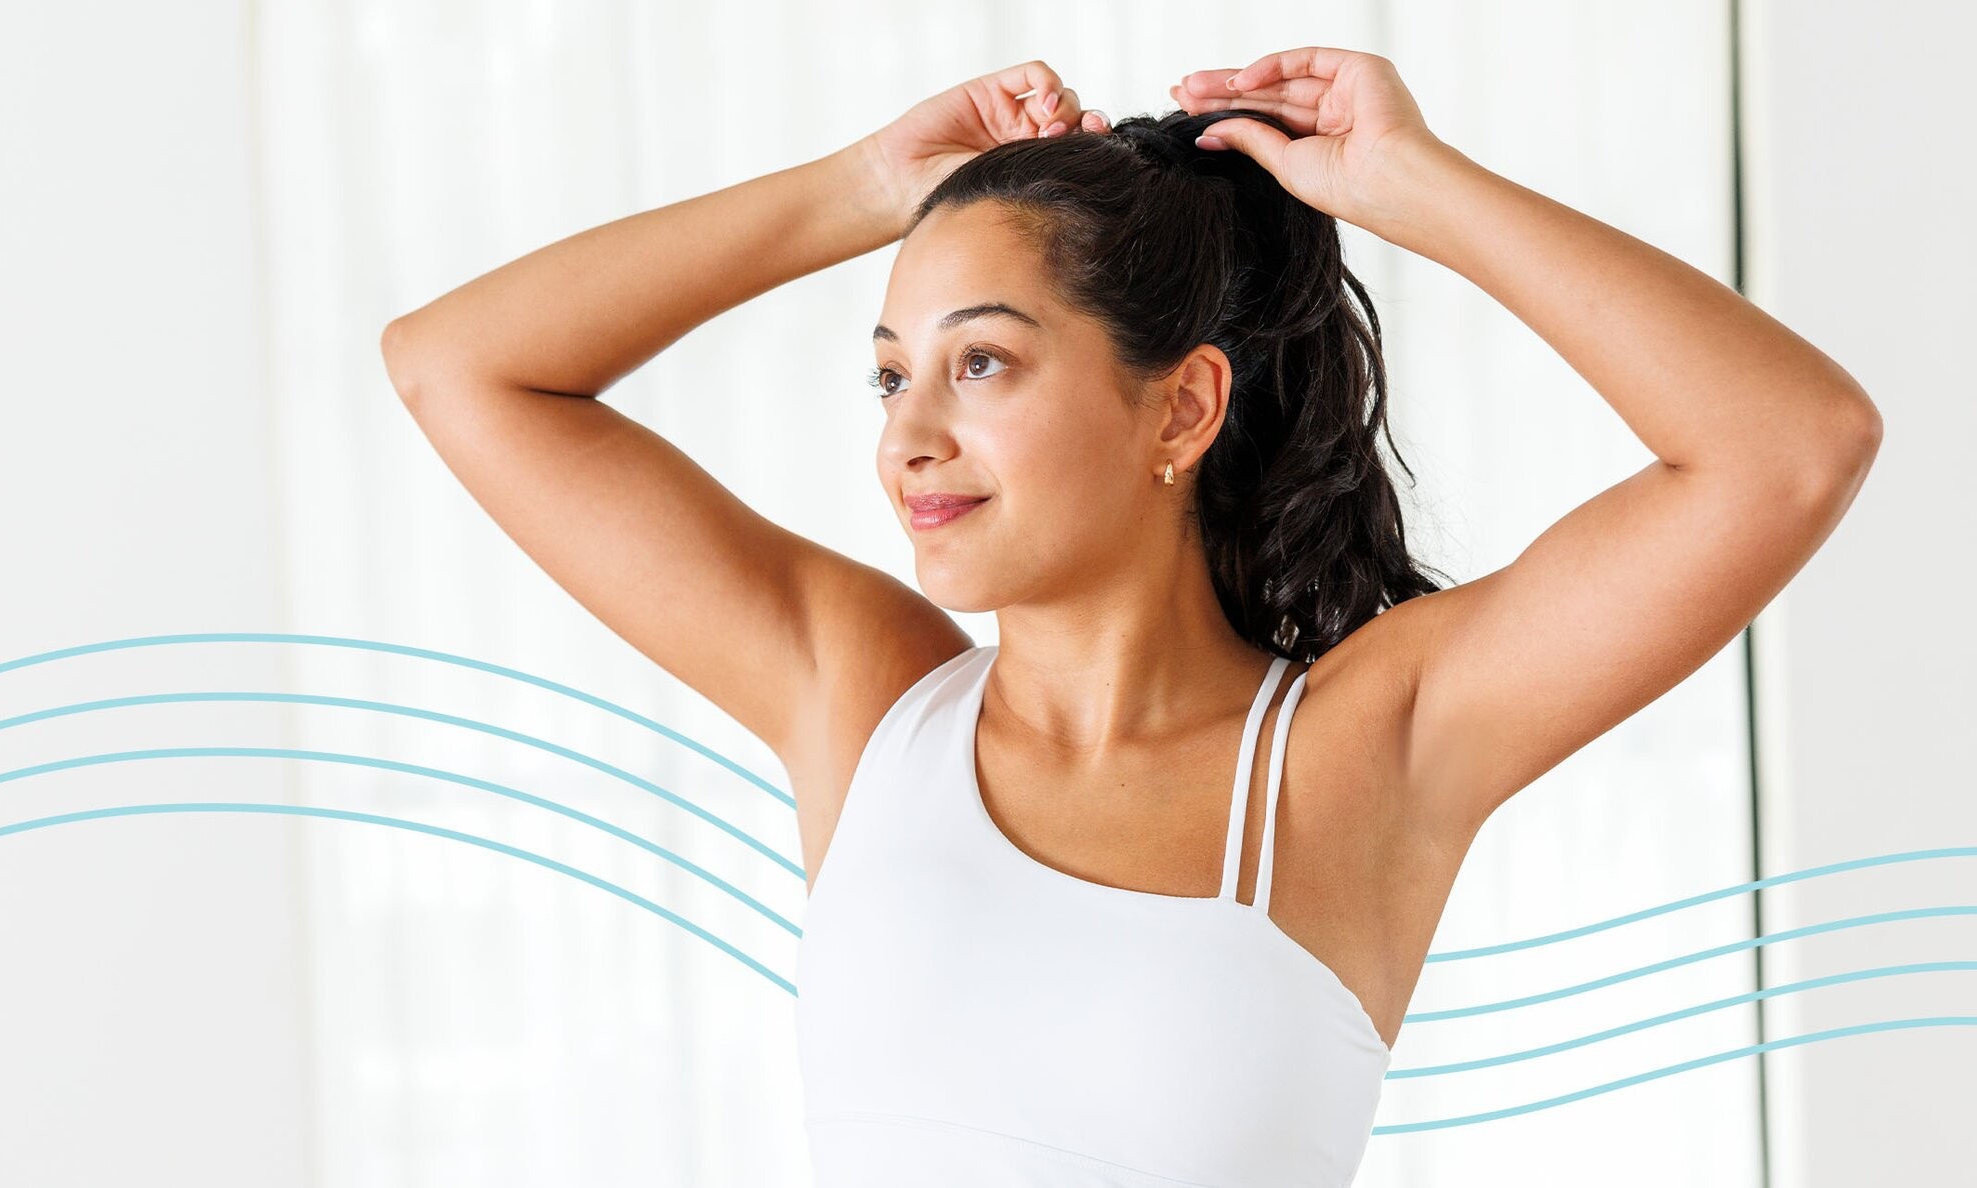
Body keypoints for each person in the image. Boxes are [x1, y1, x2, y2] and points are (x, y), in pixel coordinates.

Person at [379, 47, 1881, 1188]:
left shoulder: (1364, 746)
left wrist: (1414, 188)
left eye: (982, 366)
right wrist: (856, 192)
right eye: (891, 372)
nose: (909, 438)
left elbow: (1789, 446)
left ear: (1185, 405)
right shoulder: (864, 702)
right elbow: (459, 365)